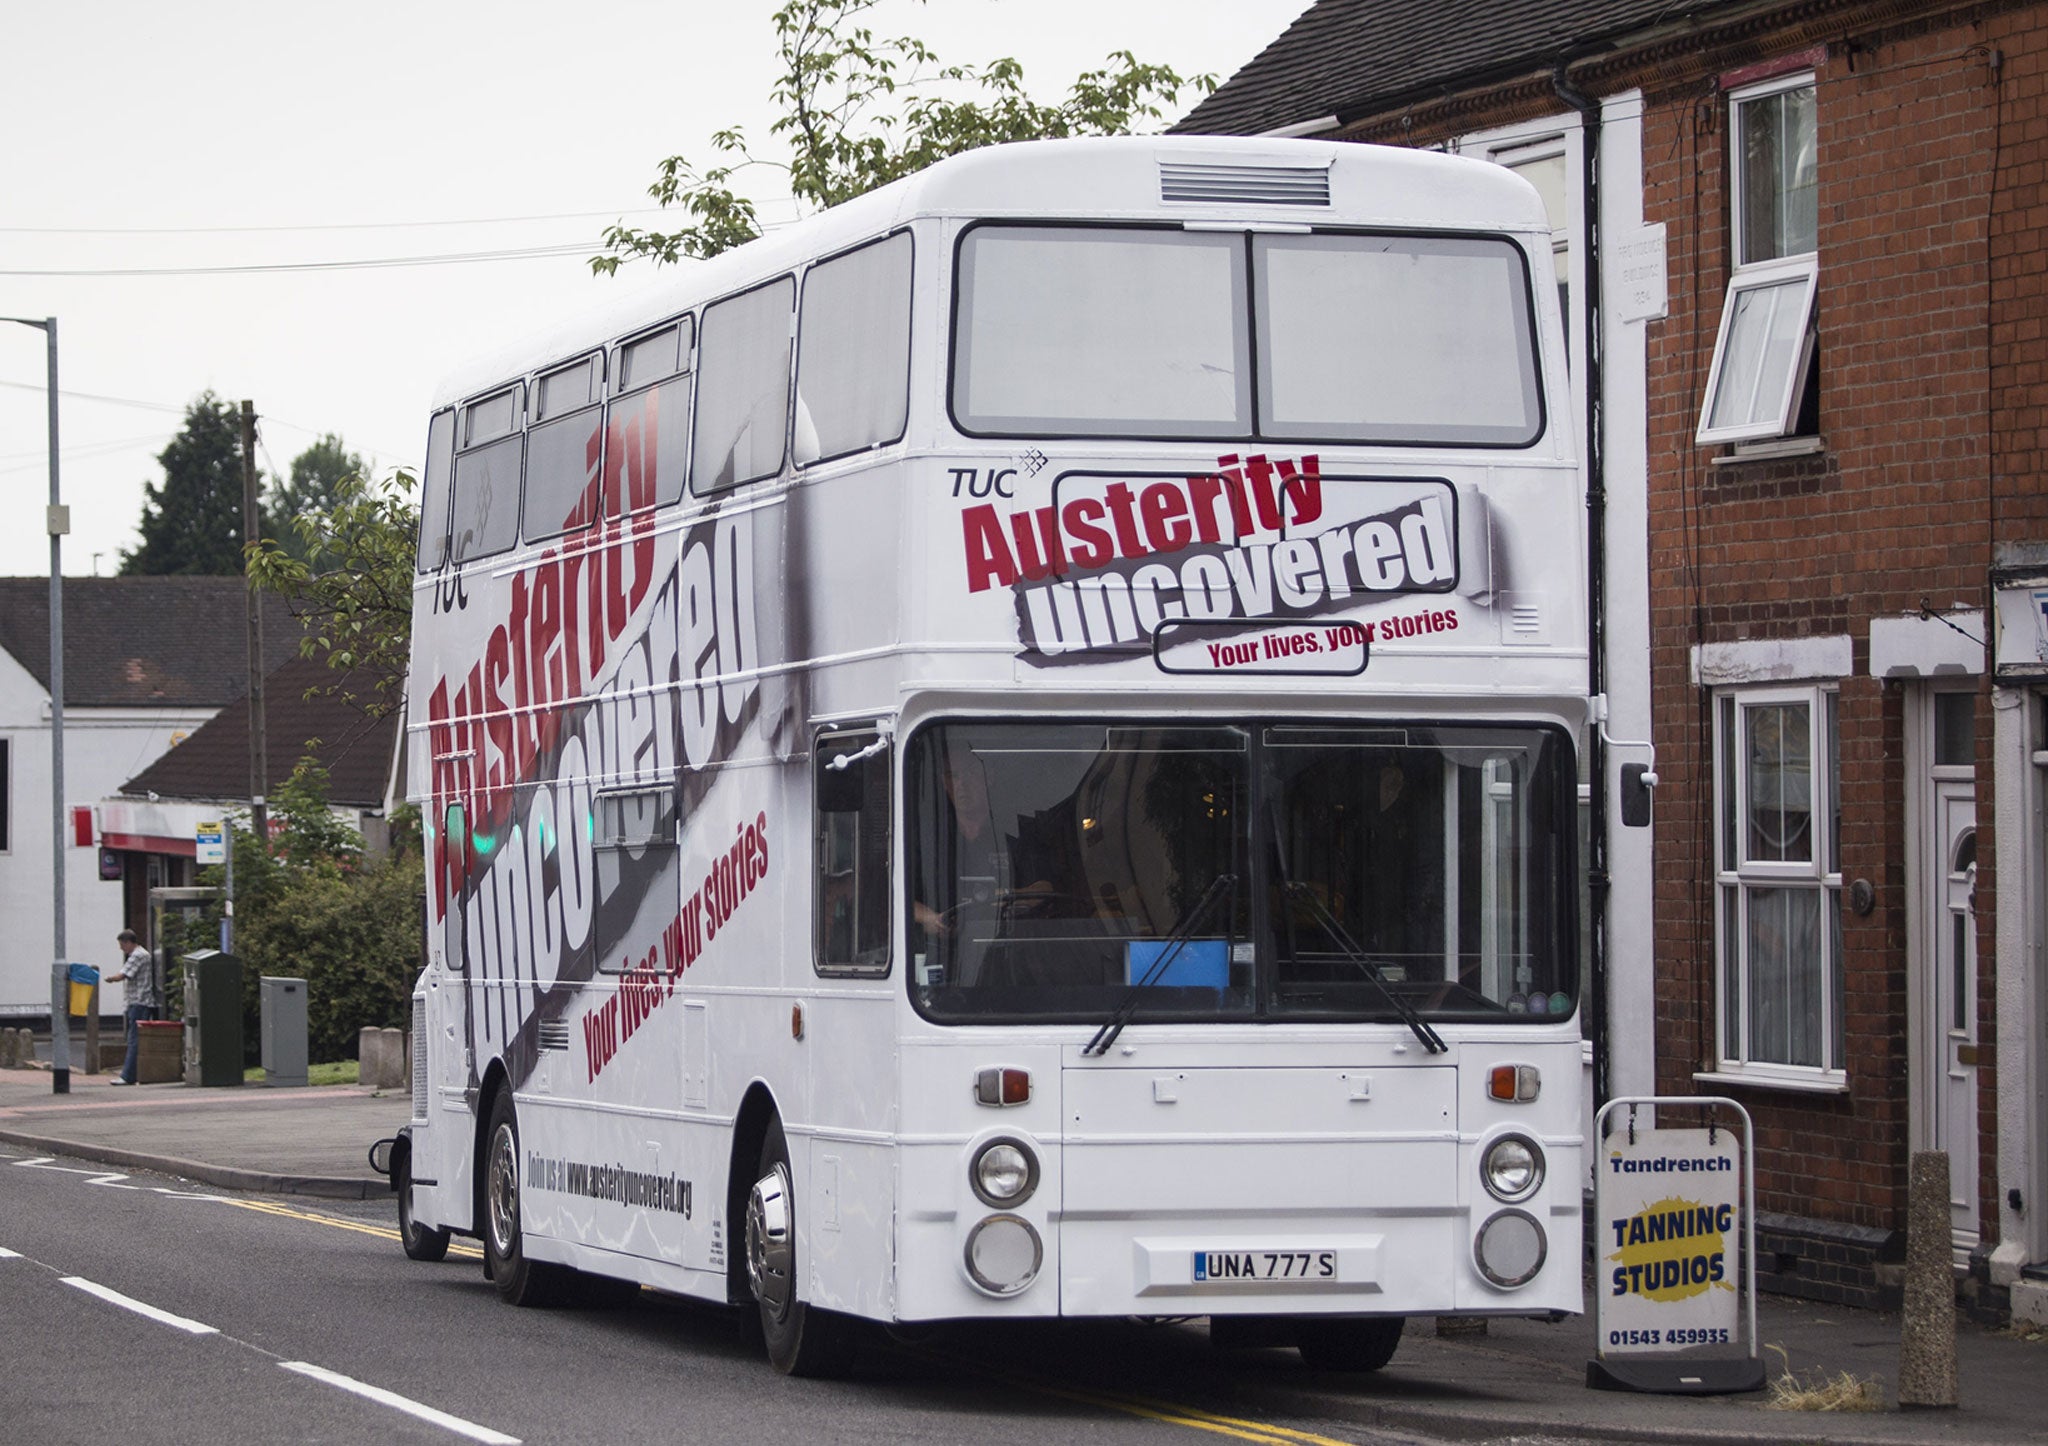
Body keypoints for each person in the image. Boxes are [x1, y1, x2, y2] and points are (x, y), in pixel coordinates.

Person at [105, 929, 157, 1086]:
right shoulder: (141, 954)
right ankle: (131, 1074)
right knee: (134, 1038)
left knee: (134, 1039)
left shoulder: (138, 955)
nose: (122, 949)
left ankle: (128, 1075)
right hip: (138, 1001)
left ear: (129, 942)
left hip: (139, 1001)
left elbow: (124, 974)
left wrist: (109, 978)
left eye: (122, 945)